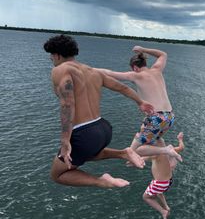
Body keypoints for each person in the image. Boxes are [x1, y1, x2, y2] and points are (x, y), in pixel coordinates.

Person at [44, 34, 155, 189]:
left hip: (83, 132)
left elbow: (67, 105)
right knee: (87, 153)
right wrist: (140, 102)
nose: (51, 59)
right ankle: (123, 153)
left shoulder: (60, 69)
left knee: (57, 175)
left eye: (51, 55)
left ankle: (102, 181)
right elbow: (122, 87)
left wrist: (65, 141)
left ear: (57, 54)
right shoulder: (93, 71)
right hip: (102, 128)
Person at [99, 45, 181, 162]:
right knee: (154, 141)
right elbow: (163, 54)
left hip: (156, 117)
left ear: (135, 68)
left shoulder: (136, 75)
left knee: (134, 151)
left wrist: (88, 70)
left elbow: (109, 73)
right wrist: (144, 50)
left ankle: (167, 150)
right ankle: (166, 157)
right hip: (170, 116)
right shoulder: (157, 69)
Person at [141, 132, 185, 219]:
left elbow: (144, 157)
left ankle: (163, 211)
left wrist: (135, 158)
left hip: (161, 182)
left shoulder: (156, 154)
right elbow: (181, 147)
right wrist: (180, 139)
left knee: (146, 197)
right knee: (159, 193)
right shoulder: (170, 150)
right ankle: (166, 207)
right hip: (168, 180)